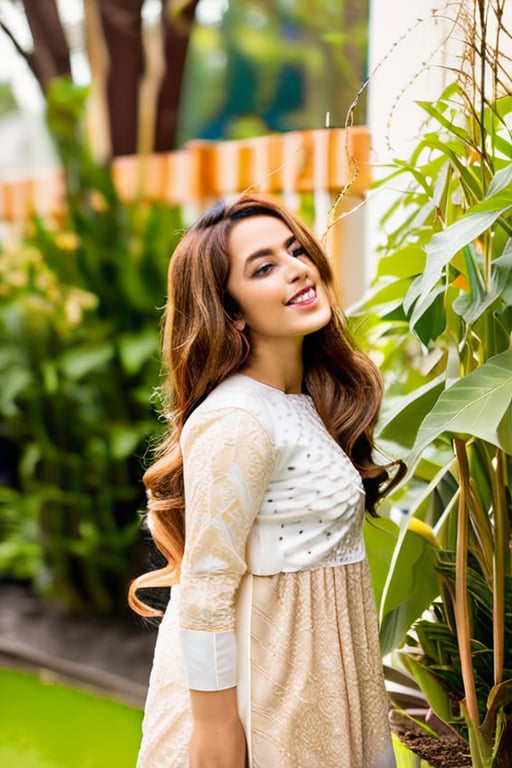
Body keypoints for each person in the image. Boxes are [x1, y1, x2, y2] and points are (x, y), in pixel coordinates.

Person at [129, 193, 405, 768]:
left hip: (323, 674)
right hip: (274, 686)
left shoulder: (301, 402)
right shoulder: (239, 418)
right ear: (231, 311)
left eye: (294, 249)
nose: (296, 268)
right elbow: (206, 591)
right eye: (264, 267)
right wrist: (215, 732)